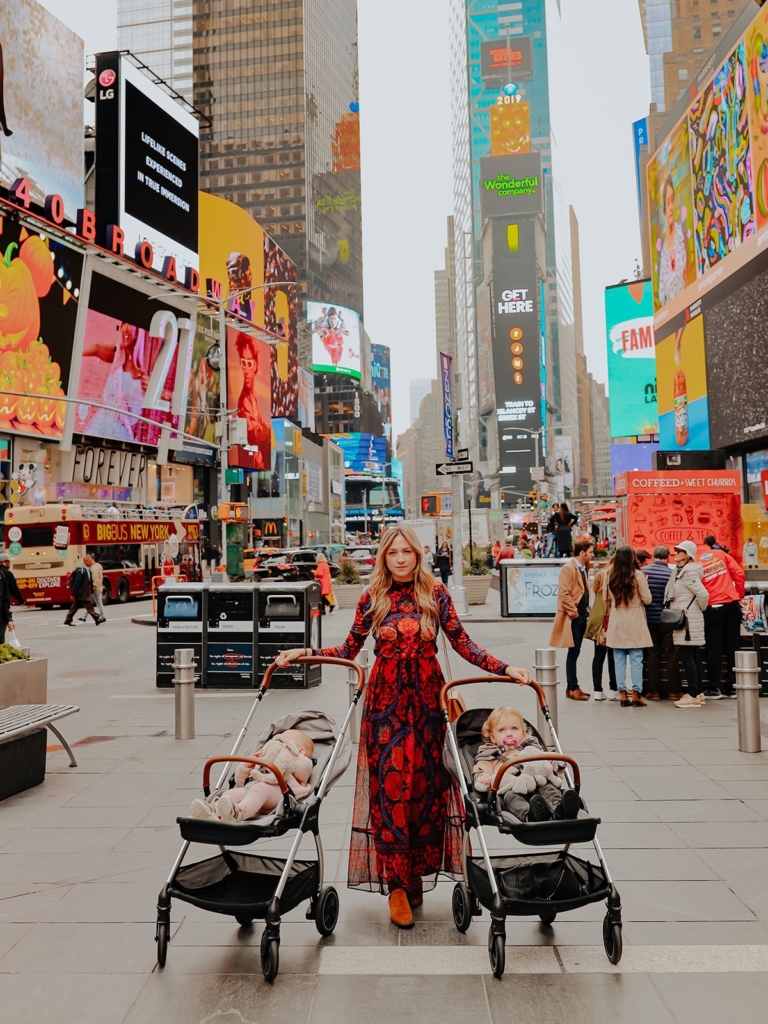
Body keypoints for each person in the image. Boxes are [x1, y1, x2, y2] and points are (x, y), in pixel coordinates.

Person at [274, 525, 531, 928]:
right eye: (392, 552)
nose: (399, 558)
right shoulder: (372, 597)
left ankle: (413, 875)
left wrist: (506, 669)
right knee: (392, 788)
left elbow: (465, 645)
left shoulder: (436, 594)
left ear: (417, 555)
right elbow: (347, 650)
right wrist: (304, 653)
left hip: (428, 704)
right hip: (385, 708)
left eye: (406, 552)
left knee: (426, 789)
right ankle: (395, 884)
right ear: (384, 557)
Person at [472, 707, 578, 822]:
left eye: (514, 728)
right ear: (492, 737)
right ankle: (530, 815)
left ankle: (560, 808)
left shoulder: (533, 750)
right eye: (502, 730)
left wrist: (554, 764)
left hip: (536, 782)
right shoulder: (489, 757)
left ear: (523, 732)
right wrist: (482, 776)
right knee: (511, 797)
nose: (509, 733)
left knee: (548, 788)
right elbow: (480, 769)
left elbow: (551, 772)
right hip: (511, 787)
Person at [191, 730, 314, 822]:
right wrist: (247, 766)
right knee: (231, 794)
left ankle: (239, 814)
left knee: (259, 789)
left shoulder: (302, 762)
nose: (276, 743)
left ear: (301, 751)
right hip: (251, 792)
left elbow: (304, 770)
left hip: (281, 794)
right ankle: (214, 812)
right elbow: (240, 781)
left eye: (283, 741)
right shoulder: (265, 758)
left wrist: (288, 752)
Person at [603, 545, 653, 707]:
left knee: (618, 659)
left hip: (617, 619)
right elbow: (648, 599)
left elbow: (605, 597)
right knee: (637, 659)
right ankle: (637, 693)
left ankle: (622, 693)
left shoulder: (609, 574)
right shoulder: (638, 575)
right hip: (635, 619)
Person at [699, 536, 745, 699]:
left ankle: (714, 687)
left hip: (712, 605)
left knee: (714, 647)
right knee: (733, 645)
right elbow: (739, 574)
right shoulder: (722, 555)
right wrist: (738, 596)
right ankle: (733, 687)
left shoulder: (696, 560)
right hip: (731, 603)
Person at [665, 541, 709, 708]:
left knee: (687, 657)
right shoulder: (683, 571)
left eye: (679, 551)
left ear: (688, 554)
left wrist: (699, 608)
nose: (675, 552)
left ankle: (692, 693)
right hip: (690, 619)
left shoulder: (688, 573)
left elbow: (703, 594)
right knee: (694, 656)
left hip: (689, 622)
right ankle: (697, 692)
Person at [550, 538, 594, 701]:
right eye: (590, 552)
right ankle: (573, 687)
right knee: (573, 652)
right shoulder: (569, 568)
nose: (592, 555)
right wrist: (574, 612)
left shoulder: (582, 568)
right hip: (574, 617)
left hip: (581, 615)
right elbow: (564, 593)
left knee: (575, 651)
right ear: (582, 553)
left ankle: (572, 687)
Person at [642, 545, 680, 701]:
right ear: (668, 558)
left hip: (649, 620)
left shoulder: (645, 573)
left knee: (652, 655)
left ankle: (654, 691)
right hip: (668, 620)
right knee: (671, 654)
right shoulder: (672, 574)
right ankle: (674, 690)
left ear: (652, 556)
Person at [234, 333, 271, 468]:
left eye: (249, 363)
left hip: (255, 466)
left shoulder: (253, 397)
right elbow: (256, 435)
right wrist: (271, 429)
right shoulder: (244, 400)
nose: (246, 370)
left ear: (256, 365)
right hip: (247, 465)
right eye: (243, 363)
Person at [585, 558, 618, 701]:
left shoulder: (601, 574)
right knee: (613, 656)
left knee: (598, 655)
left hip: (597, 617)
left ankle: (597, 690)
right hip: (610, 617)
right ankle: (613, 689)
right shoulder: (617, 575)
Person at [657, 175, 687, 306]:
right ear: (663, 210)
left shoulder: (681, 233)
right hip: (671, 319)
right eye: (667, 202)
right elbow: (662, 294)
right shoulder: (663, 252)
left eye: (672, 200)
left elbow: (687, 275)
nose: (670, 207)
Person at [64, 555, 104, 626]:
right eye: (89, 561)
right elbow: (77, 583)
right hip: (82, 593)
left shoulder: (87, 569)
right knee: (89, 606)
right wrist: (73, 594)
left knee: (75, 607)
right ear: (85, 561)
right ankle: (97, 618)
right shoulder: (81, 570)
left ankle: (68, 619)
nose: (91, 562)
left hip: (85, 592)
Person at [90, 555, 107, 622]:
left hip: (96, 588)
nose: (89, 561)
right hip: (99, 587)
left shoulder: (94, 568)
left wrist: (94, 586)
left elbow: (95, 578)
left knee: (99, 603)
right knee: (94, 603)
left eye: (90, 559)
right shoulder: (98, 566)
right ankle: (84, 616)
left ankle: (103, 616)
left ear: (93, 559)